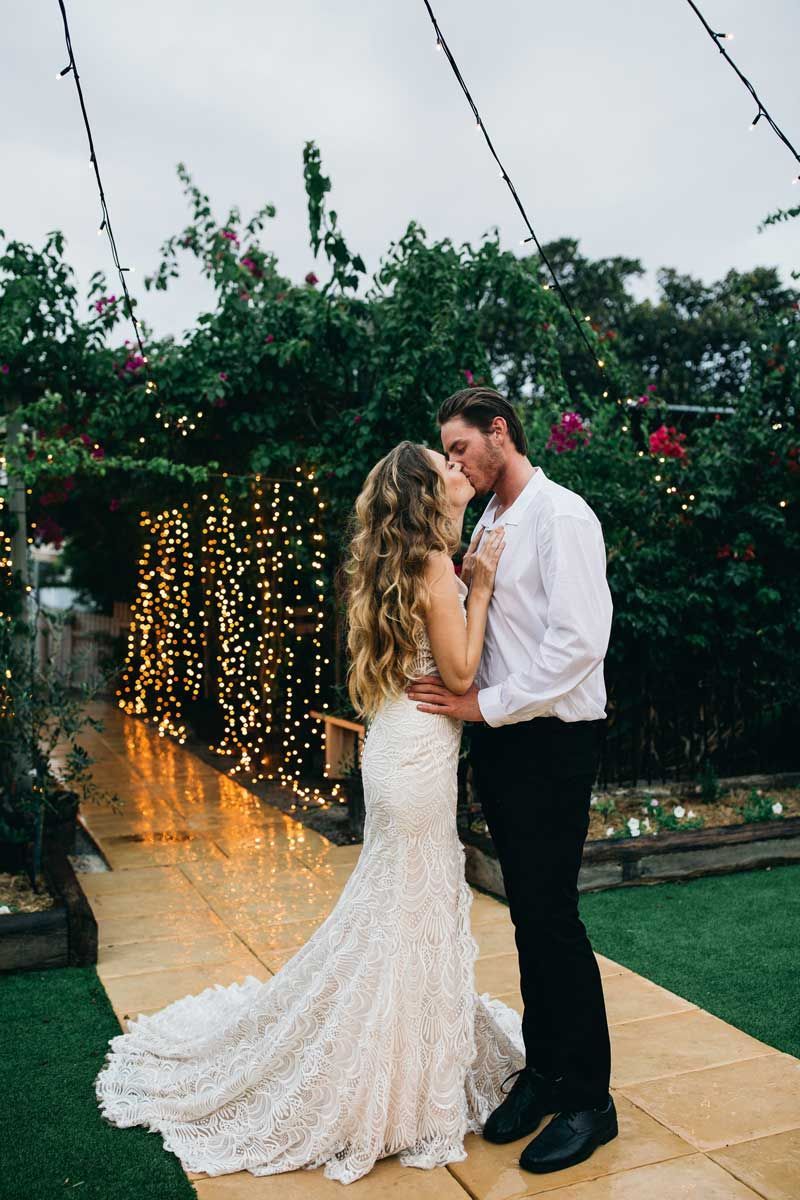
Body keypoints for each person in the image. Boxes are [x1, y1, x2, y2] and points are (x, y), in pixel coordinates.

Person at [95, 440, 527, 1185]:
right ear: (429, 494)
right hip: (418, 754)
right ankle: (392, 1070)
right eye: (447, 467)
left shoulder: (391, 561)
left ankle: (408, 1044)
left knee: (398, 903)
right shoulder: (433, 564)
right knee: (408, 905)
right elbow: (458, 674)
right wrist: (479, 589)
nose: (461, 471)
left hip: (395, 745)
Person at [407, 387, 618, 1175]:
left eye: (460, 448)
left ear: (500, 433)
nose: (454, 464)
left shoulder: (564, 516)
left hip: (554, 740)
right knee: (527, 915)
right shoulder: (489, 518)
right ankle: (546, 1072)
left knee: (553, 915)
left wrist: (479, 704)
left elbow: (576, 647)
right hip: (498, 737)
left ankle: (592, 1101)